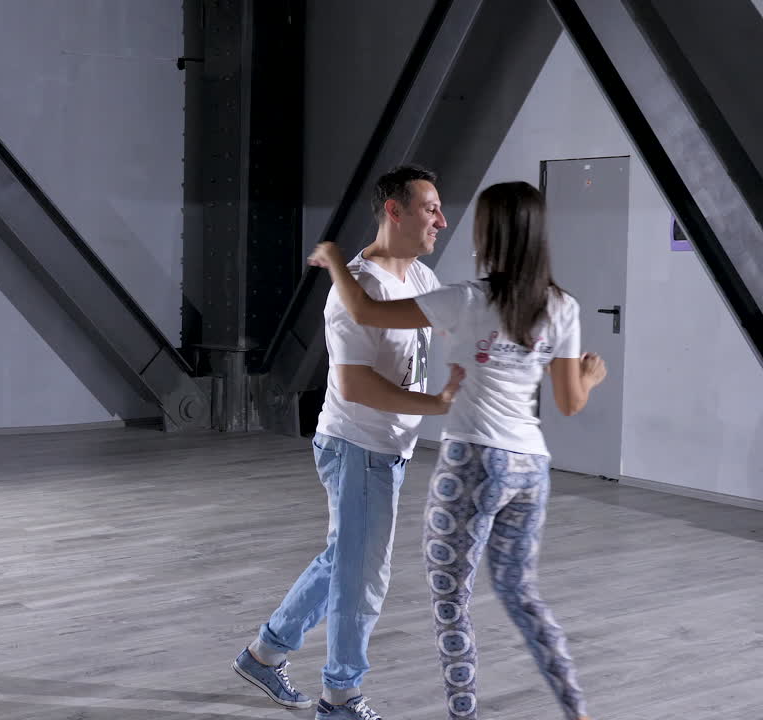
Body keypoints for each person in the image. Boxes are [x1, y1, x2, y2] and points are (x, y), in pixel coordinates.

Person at [308, 180, 607, 720]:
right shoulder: (564, 306)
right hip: (530, 467)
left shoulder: (466, 299)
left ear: (489, 234)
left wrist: (333, 259)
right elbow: (569, 403)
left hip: (472, 462)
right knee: (522, 595)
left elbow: (366, 311)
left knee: (451, 603)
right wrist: (589, 376)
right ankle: (577, 710)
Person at [232, 165, 464, 720]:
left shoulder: (420, 278)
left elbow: (452, 327)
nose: (441, 220)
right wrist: (436, 405)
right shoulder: (356, 288)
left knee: (344, 561)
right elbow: (357, 385)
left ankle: (265, 654)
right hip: (358, 446)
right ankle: (340, 697)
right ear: (394, 211)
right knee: (363, 578)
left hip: (389, 449)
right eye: (430, 209)